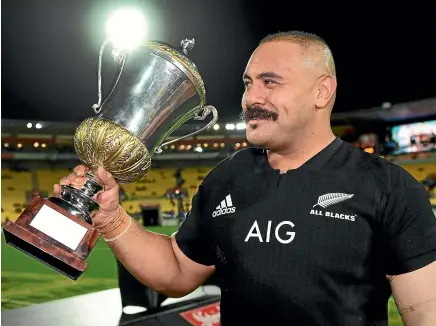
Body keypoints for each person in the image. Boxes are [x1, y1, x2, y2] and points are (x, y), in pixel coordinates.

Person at [55, 31, 436, 325]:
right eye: (248, 83)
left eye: (270, 82)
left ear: (322, 91)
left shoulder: (390, 188)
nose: (251, 97)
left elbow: (425, 315)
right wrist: (112, 219)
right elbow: (176, 270)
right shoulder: (228, 176)